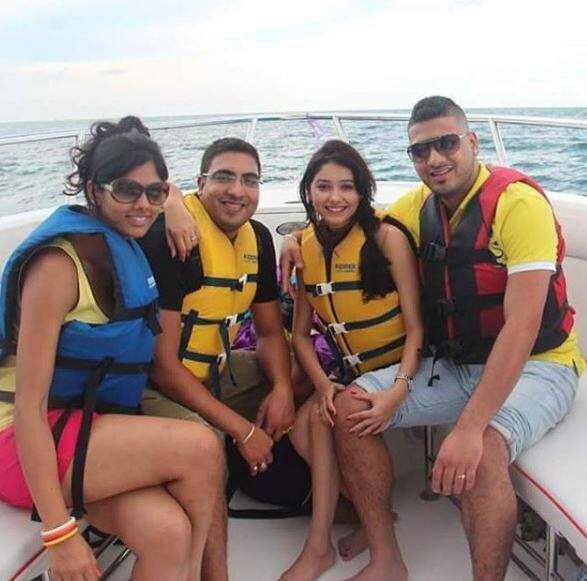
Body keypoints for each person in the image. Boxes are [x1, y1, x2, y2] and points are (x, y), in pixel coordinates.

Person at [280, 97, 583, 581]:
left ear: (473, 142)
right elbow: (352, 218)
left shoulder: (517, 205)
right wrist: (295, 238)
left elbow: (522, 327)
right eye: (421, 151)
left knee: (483, 450)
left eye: (446, 144)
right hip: (457, 364)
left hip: (540, 365)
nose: (435, 159)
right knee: (351, 408)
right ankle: (387, 559)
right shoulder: (418, 206)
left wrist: (469, 428)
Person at [0, 116, 223, 581]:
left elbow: (155, 193)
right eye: (126, 190)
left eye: (154, 192)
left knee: (167, 533)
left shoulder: (122, 239)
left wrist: (173, 200)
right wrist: (59, 534)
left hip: (79, 427)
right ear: (93, 190)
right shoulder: (59, 266)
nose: (143, 204)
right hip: (19, 442)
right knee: (202, 446)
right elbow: (28, 406)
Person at [138, 137, 296, 581]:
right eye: (224, 177)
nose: (237, 191)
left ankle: (267, 477)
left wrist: (283, 389)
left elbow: (269, 332)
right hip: (159, 388)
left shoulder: (258, 237)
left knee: (305, 374)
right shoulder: (173, 238)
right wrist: (243, 430)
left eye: (250, 180)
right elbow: (163, 368)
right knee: (205, 447)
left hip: (218, 372)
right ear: (201, 183)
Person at [279, 140, 423, 581]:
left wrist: (399, 387)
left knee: (333, 416)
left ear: (362, 192)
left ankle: (325, 546)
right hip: (352, 374)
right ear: (309, 191)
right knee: (304, 426)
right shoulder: (304, 246)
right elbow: (300, 336)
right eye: (323, 186)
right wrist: (324, 385)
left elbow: (417, 329)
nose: (335, 197)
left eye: (347, 186)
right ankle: (340, 534)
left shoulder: (386, 238)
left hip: (404, 369)